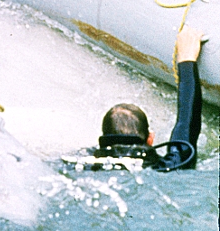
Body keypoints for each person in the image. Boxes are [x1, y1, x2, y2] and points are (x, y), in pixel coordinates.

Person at [65, 26, 204, 172]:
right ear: (150, 139)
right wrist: (187, 58)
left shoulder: (80, 164)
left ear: (102, 142)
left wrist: (187, 60)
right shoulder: (165, 167)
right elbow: (186, 125)